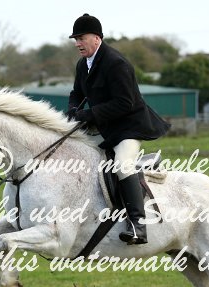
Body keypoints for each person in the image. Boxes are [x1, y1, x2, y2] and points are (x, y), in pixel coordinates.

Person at [67, 13, 170, 245]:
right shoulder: (83, 65)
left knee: (123, 165)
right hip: (104, 128)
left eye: (81, 38)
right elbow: (76, 93)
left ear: (96, 38)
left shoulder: (116, 63)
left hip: (128, 128)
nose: (77, 43)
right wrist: (72, 110)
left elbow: (125, 103)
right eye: (76, 39)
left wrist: (88, 114)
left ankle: (137, 225)